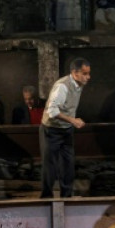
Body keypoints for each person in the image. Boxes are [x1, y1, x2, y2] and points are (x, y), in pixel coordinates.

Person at [40, 58, 91, 198]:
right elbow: (52, 111)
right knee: (50, 166)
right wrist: (72, 120)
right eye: (85, 73)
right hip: (52, 129)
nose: (88, 77)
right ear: (75, 73)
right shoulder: (62, 86)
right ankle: (46, 197)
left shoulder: (79, 84)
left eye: (89, 73)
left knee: (68, 164)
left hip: (66, 129)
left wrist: (70, 122)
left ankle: (66, 197)